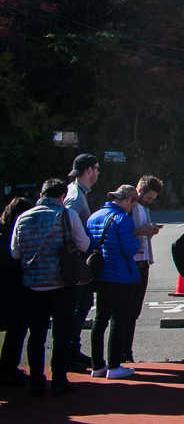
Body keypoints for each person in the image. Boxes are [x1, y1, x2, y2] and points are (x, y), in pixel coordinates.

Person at [10, 179, 90, 397]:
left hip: (33, 284)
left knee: (36, 335)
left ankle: (36, 381)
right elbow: (83, 245)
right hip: (61, 283)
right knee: (61, 334)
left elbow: (15, 253)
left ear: (42, 194)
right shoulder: (67, 215)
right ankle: (59, 381)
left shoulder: (22, 217)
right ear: (62, 196)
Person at [87, 185, 142, 380]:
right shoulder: (123, 220)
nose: (132, 209)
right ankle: (115, 365)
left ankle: (97, 365)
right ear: (128, 199)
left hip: (100, 274)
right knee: (118, 320)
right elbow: (128, 250)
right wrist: (139, 241)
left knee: (100, 318)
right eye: (133, 205)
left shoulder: (93, 217)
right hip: (121, 276)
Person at [65, 154, 100, 371]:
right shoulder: (75, 197)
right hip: (75, 261)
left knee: (83, 303)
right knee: (77, 305)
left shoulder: (78, 193)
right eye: (96, 169)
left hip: (77, 259)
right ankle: (68, 350)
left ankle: (72, 348)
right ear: (88, 170)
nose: (97, 172)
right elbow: (67, 226)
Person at [123, 175, 163, 363]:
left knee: (134, 312)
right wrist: (141, 231)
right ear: (140, 191)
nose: (150, 201)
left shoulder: (142, 209)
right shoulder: (128, 208)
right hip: (132, 263)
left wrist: (151, 231)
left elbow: (141, 233)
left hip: (143, 262)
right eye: (149, 197)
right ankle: (123, 352)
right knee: (127, 312)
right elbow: (122, 234)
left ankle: (126, 351)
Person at [0, 197, 33, 387]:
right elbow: (8, 264)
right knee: (16, 331)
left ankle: (7, 369)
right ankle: (7, 370)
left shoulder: (4, 233)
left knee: (15, 331)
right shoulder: (8, 236)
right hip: (11, 292)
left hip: (8, 291)